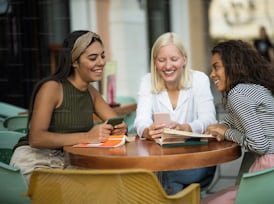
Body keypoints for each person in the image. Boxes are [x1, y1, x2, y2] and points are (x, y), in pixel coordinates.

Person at [10, 30, 127, 182]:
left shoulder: (91, 92)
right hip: (36, 161)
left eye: (102, 56)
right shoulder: (52, 88)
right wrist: (87, 136)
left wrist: (120, 129)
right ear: (74, 62)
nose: (101, 62)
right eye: (93, 58)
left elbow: (116, 122)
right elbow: (36, 138)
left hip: (69, 161)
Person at [201, 40, 274, 204]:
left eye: (216, 67)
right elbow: (235, 120)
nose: (212, 74)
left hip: (270, 170)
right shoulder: (252, 89)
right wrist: (220, 127)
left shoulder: (237, 94)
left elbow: (258, 144)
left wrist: (226, 132)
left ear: (233, 65)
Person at [133, 32, 217, 195]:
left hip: (194, 159)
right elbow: (140, 121)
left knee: (162, 177)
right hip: (161, 158)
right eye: (161, 60)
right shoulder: (147, 81)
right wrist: (147, 131)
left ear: (184, 59)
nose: (167, 65)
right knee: (159, 175)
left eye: (174, 59)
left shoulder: (199, 79)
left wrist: (185, 128)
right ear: (155, 62)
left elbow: (209, 120)